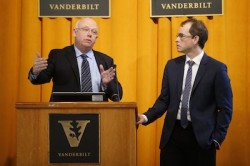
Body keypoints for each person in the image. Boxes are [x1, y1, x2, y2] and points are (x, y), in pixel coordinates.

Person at [137, 18, 233, 166]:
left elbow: (225, 108)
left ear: (195, 39)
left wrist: (216, 139)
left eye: (181, 36)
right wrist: (145, 117)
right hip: (173, 136)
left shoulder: (217, 69)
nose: (176, 39)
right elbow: (164, 100)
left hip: (202, 140)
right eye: (177, 35)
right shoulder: (172, 66)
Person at [28, 18, 122, 102]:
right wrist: (35, 72)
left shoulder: (106, 60)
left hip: (98, 114)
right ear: (74, 32)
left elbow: (117, 95)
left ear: (96, 38)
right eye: (85, 29)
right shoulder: (58, 56)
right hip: (63, 114)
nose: (90, 34)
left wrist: (105, 84)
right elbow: (41, 78)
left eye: (94, 32)